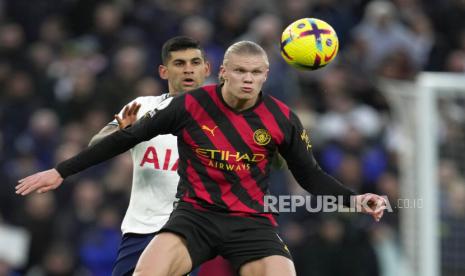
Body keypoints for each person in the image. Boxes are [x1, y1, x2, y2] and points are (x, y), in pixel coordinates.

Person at [16, 41, 387, 276]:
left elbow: (310, 175)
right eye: (239, 71)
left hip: (250, 224)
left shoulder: (281, 119)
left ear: (265, 76)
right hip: (194, 218)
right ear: (222, 71)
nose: (247, 79)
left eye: (255, 73)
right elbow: (124, 139)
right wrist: (61, 170)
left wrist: (353, 199)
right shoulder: (190, 105)